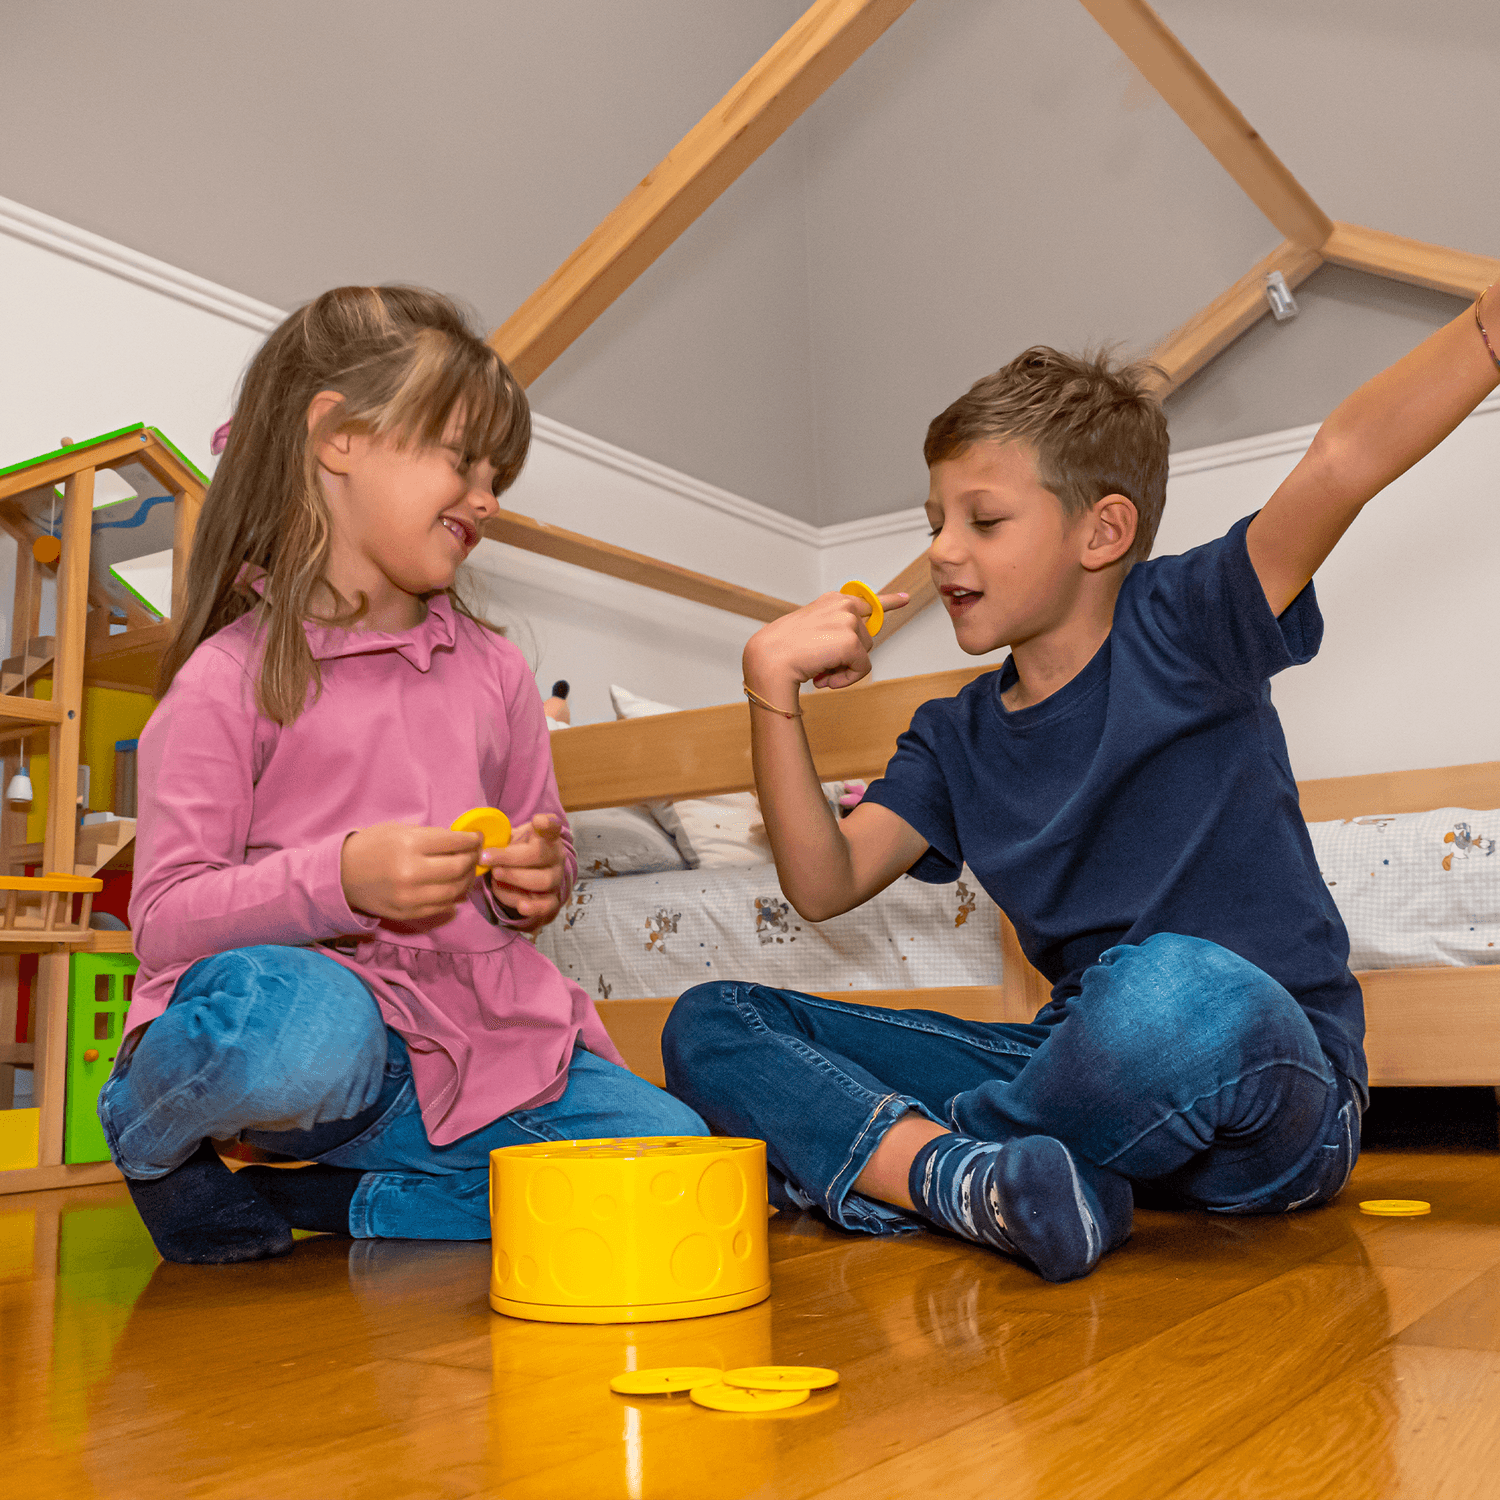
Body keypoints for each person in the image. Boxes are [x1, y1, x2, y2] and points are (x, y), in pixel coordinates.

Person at [663, 284, 1500, 1283]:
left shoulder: (1189, 620)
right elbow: (823, 882)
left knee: (1170, 989)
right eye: (936, 520)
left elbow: (1341, 463)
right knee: (714, 1020)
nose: (940, 551)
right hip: (1074, 1079)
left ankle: (905, 1160)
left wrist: (1487, 331)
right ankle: (973, 1179)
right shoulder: (954, 735)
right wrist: (771, 690)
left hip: (1269, 1091)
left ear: (1102, 533)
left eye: (982, 519)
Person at [100, 286, 705, 1265]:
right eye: (461, 459)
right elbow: (165, 918)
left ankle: (349, 1202)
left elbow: (534, 851)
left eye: (496, 473)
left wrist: (530, 886)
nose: (486, 496)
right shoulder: (229, 676)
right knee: (306, 1029)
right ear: (338, 435)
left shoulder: (499, 670)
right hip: (317, 1045)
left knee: (670, 1168)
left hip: (474, 1048)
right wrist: (339, 879)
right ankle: (147, 1135)